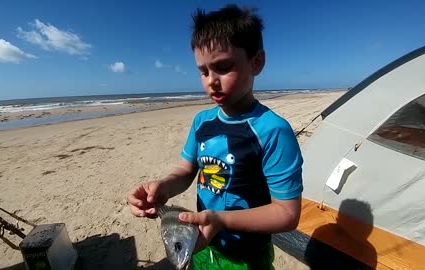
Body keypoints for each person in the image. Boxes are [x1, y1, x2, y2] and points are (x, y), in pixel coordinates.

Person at [128, 4, 303, 269]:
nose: (211, 80)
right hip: (201, 244)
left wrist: (221, 220)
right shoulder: (202, 122)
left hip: (247, 257)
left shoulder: (273, 131)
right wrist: (162, 188)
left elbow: (287, 214)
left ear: (256, 62)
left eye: (222, 67)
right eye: (203, 71)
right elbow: (186, 171)